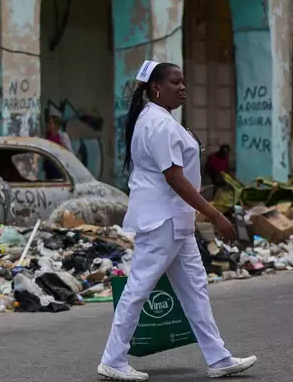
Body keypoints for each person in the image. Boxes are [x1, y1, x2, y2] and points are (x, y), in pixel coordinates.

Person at [97, 60, 257, 381]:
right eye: (175, 82)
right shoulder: (159, 124)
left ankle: (219, 357)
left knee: (195, 289)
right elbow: (175, 178)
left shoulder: (157, 120)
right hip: (163, 222)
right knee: (139, 288)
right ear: (156, 88)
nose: (182, 87)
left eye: (183, 82)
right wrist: (215, 215)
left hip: (175, 222)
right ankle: (113, 360)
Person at [44, 110, 73, 179]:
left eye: (50, 123)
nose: (48, 125)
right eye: (48, 123)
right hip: (49, 166)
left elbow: (70, 152)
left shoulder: (62, 136)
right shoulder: (46, 135)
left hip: (58, 167)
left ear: (56, 125)